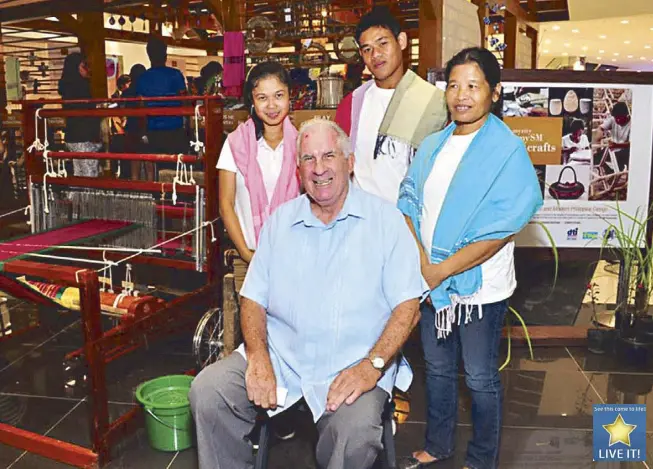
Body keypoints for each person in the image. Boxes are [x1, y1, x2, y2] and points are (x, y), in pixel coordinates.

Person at [189, 118, 426, 469]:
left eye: (329, 156)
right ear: (298, 170)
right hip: (284, 360)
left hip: (354, 364)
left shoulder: (386, 221)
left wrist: (372, 366)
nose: (319, 169)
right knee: (209, 391)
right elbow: (252, 297)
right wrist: (257, 355)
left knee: (356, 432)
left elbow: (409, 308)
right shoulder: (281, 222)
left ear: (349, 162)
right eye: (308, 159)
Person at [397, 47, 543, 469]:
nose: (461, 95)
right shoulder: (433, 144)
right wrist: (424, 261)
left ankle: (482, 458)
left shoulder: (506, 151)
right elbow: (408, 201)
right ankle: (439, 444)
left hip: (479, 286)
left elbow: (500, 229)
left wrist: (441, 268)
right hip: (431, 282)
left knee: (479, 376)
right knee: (438, 369)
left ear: (494, 93)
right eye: (454, 85)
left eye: (473, 86)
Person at [335, 6, 447, 204]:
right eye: (367, 49)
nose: (375, 55)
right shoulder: (352, 104)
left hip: (410, 221)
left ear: (401, 41)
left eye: (383, 43)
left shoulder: (433, 103)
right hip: (361, 220)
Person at [217, 61, 300, 294]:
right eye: (262, 97)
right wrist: (245, 253)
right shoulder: (235, 144)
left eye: (279, 95)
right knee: (253, 329)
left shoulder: (304, 144)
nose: (272, 105)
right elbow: (226, 204)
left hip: (295, 260)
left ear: (289, 97)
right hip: (249, 259)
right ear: (252, 102)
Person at [136, 37, 188, 178]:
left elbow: (141, 107)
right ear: (165, 55)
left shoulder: (142, 78)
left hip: (154, 130)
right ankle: (177, 197)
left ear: (149, 55)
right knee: (177, 167)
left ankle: (159, 196)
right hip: (175, 128)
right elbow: (185, 101)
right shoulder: (175, 75)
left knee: (157, 167)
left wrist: (143, 132)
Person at [58, 53, 102, 177]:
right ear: (77, 67)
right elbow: (87, 110)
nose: (88, 69)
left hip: (72, 135)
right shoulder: (82, 85)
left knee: (78, 173)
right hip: (85, 135)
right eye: (84, 65)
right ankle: (86, 196)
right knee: (90, 173)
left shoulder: (66, 87)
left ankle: (76, 196)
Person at [596, 101, 631, 171]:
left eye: (619, 118)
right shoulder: (613, 119)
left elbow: (631, 144)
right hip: (612, 148)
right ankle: (608, 172)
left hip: (624, 151)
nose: (617, 120)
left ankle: (616, 171)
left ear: (626, 115)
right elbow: (600, 128)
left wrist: (617, 145)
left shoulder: (632, 124)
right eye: (616, 118)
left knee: (617, 161)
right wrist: (599, 136)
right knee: (596, 159)